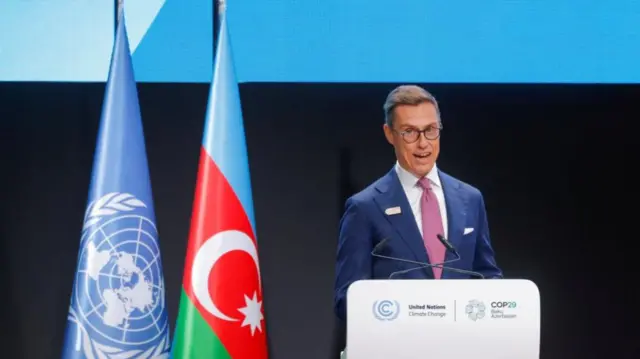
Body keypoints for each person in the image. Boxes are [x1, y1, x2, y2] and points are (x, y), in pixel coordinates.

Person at [333, 85, 502, 321]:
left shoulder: (470, 199)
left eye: (430, 130)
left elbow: (487, 276)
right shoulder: (365, 207)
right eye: (410, 132)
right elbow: (346, 300)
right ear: (389, 134)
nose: (423, 143)